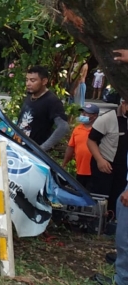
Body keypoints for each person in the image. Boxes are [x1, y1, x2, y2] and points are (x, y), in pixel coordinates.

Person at [91, 49, 128, 285]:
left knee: (125, 238)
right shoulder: (110, 117)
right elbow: (91, 139)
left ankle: (122, 279)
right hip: (113, 170)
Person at [16, 66, 69, 151]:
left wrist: (41, 149)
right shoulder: (30, 95)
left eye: (33, 80)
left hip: (33, 154)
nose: (28, 83)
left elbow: (63, 127)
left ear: (44, 81)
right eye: (27, 80)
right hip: (19, 147)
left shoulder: (52, 101)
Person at [62, 103, 99, 189]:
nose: (83, 115)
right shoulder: (77, 129)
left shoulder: (98, 130)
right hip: (80, 170)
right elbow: (70, 148)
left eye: (86, 113)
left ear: (95, 116)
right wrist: (64, 164)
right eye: (82, 113)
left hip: (95, 172)